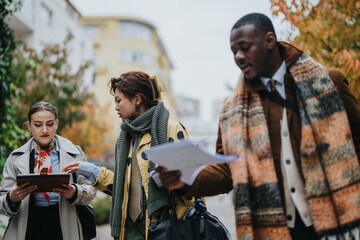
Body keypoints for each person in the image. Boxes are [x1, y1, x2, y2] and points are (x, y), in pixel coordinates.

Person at [158, 13, 360, 240]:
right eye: (234, 51)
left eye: (245, 47)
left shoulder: (329, 83)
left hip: (336, 221)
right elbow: (228, 169)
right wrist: (187, 178)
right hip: (274, 229)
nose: (238, 57)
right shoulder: (232, 110)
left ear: (270, 41)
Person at [63, 71, 197, 240]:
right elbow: (126, 188)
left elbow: (193, 186)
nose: (116, 107)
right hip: (129, 230)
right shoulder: (125, 138)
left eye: (119, 100)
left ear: (137, 99)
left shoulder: (171, 129)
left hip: (165, 227)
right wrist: (93, 172)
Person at [0, 101, 97, 239]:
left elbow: (91, 190)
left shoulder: (74, 152)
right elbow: (1, 200)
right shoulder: (15, 158)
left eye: (50, 124)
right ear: (29, 126)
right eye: (38, 125)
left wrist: (75, 192)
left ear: (56, 124)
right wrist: (12, 198)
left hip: (64, 225)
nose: (44, 130)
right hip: (28, 226)